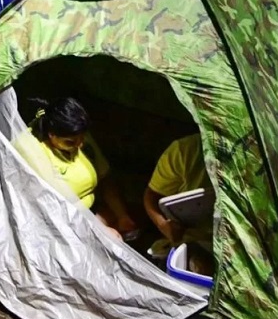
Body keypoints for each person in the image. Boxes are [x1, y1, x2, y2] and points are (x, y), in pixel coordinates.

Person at [29, 98, 138, 240]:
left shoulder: (79, 141)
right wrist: (99, 231)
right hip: (61, 225)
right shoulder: (35, 154)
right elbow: (46, 212)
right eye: (70, 142)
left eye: (82, 138)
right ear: (51, 135)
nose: (79, 145)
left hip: (90, 211)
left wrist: (122, 216)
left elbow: (105, 179)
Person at [143, 134, 213, 275]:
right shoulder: (184, 150)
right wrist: (163, 225)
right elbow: (151, 196)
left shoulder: (256, 151)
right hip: (194, 239)